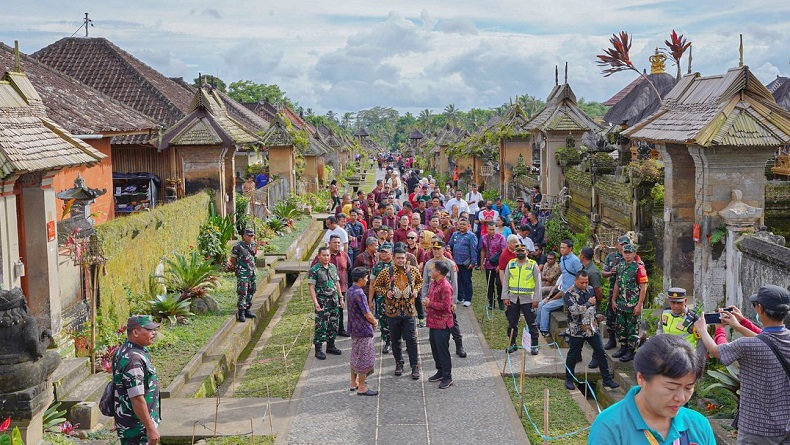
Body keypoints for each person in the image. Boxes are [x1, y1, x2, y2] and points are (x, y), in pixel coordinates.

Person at [694, 285, 790, 444]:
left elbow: (717, 350)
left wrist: (707, 329)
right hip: (786, 427)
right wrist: (741, 323)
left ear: (760, 308)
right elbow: (766, 339)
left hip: (755, 429)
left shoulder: (747, 346)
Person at [588, 334, 715, 445]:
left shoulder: (698, 425)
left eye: (689, 387)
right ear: (641, 378)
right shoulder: (609, 427)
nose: (681, 398)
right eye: (671, 388)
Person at [562, 271, 620, 390]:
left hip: (591, 328)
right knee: (573, 354)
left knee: (600, 352)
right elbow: (575, 310)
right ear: (576, 281)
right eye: (581, 282)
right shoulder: (569, 293)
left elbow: (593, 308)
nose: (584, 285)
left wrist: (596, 316)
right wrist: (588, 303)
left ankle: (607, 379)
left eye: (586, 282)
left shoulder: (590, 290)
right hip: (577, 329)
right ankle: (569, 379)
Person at [373, 246, 424, 379]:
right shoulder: (386, 272)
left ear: (406, 258)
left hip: (409, 311)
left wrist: (416, 290)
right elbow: (376, 286)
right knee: (395, 340)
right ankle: (399, 362)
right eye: (398, 258)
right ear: (393, 258)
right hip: (392, 312)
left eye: (403, 258)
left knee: (411, 339)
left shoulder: (412, 271)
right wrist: (386, 292)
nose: (401, 260)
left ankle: (415, 366)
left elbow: (420, 282)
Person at [112, 315, 161, 445]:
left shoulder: (124, 350)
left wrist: (119, 414)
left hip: (132, 422)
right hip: (138, 428)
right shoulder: (133, 360)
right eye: (149, 330)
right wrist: (151, 428)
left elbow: (119, 387)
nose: (153, 333)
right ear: (135, 332)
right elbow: (137, 398)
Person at [422, 239, 466, 358]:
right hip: (433, 298)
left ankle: (459, 345)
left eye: (438, 248)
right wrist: (424, 299)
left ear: (443, 249)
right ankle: (437, 346)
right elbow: (425, 282)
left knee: (453, 323)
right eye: (434, 249)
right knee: (434, 323)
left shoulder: (450, 263)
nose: (436, 251)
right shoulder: (429, 264)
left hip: (446, 297)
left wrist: (454, 301)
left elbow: (454, 283)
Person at [611, 243, 648, 362]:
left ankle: (631, 351)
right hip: (621, 303)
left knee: (632, 329)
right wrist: (613, 299)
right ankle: (623, 347)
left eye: (629, 253)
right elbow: (617, 283)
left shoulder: (639, 268)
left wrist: (639, 305)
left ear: (634, 254)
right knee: (621, 327)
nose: (627, 255)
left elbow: (643, 288)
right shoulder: (620, 266)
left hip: (633, 305)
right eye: (625, 252)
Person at [502, 244, 541, 355]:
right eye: (518, 251)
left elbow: (538, 283)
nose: (520, 253)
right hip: (513, 298)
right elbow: (506, 281)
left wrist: (536, 299)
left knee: (531, 322)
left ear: (527, 252)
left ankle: (534, 345)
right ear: (515, 252)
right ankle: (512, 344)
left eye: (522, 251)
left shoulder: (533, 264)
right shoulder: (511, 264)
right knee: (512, 322)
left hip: (528, 299)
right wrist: (505, 296)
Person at [537, 239, 580, 337]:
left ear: (570, 248)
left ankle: (544, 330)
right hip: (561, 290)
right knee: (541, 304)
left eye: (564, 248)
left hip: (570, 293)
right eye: (561, 247)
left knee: (546, 307)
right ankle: (538, 325)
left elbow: (580, 276)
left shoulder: (575, 260)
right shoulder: (562, 259)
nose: (561, 249)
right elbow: (562, 277)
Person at [347, 267, 379, 396]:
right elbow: (367, 313)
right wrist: (375, 322)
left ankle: (353, 382)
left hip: (354, 328)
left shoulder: (350, 290)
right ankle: (362, 386)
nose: (367, 281)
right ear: (360, 279)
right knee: (364, 358)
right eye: (366, 278)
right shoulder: (360, 293)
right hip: (363, 330)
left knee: (355, 355)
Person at [308, 247, 344, 360]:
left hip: (334, 301)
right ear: (319, 256)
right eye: (324, 255)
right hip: (322, 303)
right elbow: (311, 287)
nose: (326, 257)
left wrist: (341, 298)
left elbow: (337, 283)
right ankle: (318, 350)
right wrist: (315, 302)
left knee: (333, 324)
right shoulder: (315, 270)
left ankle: (331, 346)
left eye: (328, 255)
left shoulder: (333, 267)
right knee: (321, 326)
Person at [424, 261, 455, 389]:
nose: (431, 271)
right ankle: (440, 371)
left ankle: (448, 376)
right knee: (435, 349)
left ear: (439, 272)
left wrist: (429, 304)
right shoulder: (433, 284)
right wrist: (427, 303)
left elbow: (445, 306)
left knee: (442, 351)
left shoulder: (445, 287)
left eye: (433, 270)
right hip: (433, 321)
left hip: (443, 323)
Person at [312, 235, 350, 337]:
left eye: (339, 242)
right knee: (323, 319)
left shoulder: (344, 256)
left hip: (340, 288)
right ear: (329, 243)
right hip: (323, 294)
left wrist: (345, 291)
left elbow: (348, 270)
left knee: (339, 312)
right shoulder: (319, 261)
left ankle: (340, 330)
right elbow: (312, 279)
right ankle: (322, 340)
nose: (337, 244)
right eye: (335, 242)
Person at [601, 235, 631, 351]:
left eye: (625, 244)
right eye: (621, 245)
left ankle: (625, 344)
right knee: (610, 316)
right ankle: (612, 339)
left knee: (625, 319)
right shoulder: (611, 257)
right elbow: (603, 273)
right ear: (617, 245)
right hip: (613, 289)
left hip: (627, 293)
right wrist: (611, 273)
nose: (623, 247)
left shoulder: (630, 257)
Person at [369, 243, 394, 353]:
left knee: (398, 320)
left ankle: (398, 340)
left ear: (391, 253)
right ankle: (387, 341)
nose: (383, 254)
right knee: (383, 321)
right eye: (382, 252)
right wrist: (370, 300)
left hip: (396, 299)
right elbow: (372, 284)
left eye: (385, 252)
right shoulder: (377, 267)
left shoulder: (396, 265)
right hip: (381, 299)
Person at [229, 228, 258, 323]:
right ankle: (241, 311)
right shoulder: (238, 247)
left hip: (252, 271)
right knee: (243, 291)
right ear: (244, 236)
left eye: (252, 235)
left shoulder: (253, 244)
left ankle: (247, 309)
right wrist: (235, 268)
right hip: (243, 272)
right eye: (249, 235)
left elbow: (254, 255)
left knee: (252, 289)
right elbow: (233, 260)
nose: (251, 237)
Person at [448, 218, 478, 307]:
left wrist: (473, 262)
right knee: (457, 280)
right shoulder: (455, 234)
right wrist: (448, 248)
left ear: (468, 225)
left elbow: (473, 249)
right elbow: (450, 244)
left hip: (466, 263)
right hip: (456, 262)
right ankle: (459, 297)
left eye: (463, 224)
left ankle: (468, 299)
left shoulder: (471, 236)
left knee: (467, 281)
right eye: (460, 224)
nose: (461, 226)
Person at [480, 221, 507, 311]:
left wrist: (500, 265)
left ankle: (501, 301)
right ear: (487, 229)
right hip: (489, 264)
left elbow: (504, 252)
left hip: (499, 265)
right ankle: (491, 302)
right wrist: (482, 263)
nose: (492, 231)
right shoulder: (484, 238)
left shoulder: (501, 238)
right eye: (490, 229)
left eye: (493, 229)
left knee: (499, 284)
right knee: (489, 285)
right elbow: (483, 250)